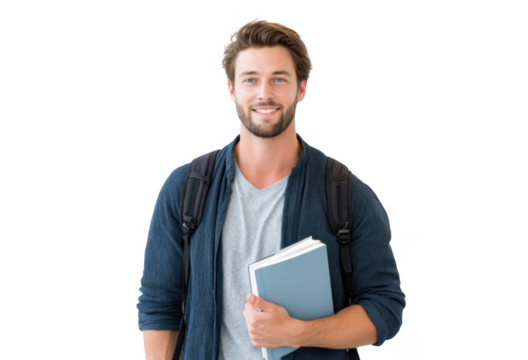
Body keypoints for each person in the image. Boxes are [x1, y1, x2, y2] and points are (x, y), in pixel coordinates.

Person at [137, 19, 406, 360]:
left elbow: (385, 307)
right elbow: (160, 305)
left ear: (302, 88)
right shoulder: (186, 187)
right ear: (232, 88)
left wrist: (298, 332)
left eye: (279, 79)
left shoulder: (347, 195)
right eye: (251, 80)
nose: (264, 93)